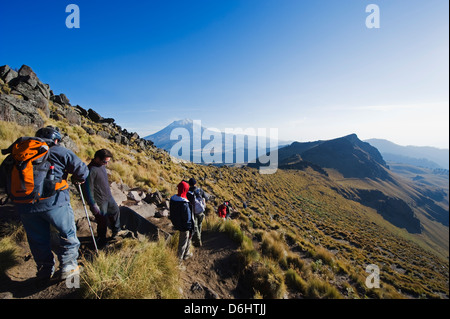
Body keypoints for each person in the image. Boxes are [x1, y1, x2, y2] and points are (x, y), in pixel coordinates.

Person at [6, 126, 89, 281]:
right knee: (67, 233)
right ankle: (68, 266)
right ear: (55, 139)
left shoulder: (19, 153)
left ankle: (44, 270)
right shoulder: (58, 151)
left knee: (37, 238)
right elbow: (82, 170)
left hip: (24, 204)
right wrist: (78, 178)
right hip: (55, 202)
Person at [82, 149, 121, 247]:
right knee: (102, 221)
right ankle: (102, 240)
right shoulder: (90, 170)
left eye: (108, 161)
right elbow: (88, 190)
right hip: (99, 201)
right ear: (97, 158)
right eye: (105, 161)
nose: (106, 164)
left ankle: (116, 232)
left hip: (108, 197)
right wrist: (93, 205)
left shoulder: (102, 166)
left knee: (115, 211)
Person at [169, 180, 194, 262]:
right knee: (182, 243)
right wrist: (190, 228)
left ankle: (186, 254)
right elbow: (187, 218)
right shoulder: (184, 203)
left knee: (185, 241)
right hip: (184, 227)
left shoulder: (173, 199)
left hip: (177, 223)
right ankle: (178, 262)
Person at [186, 177, 207, 247]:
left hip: (193, 212)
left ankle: (198, 241)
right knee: (199, 225)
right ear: (195, 183)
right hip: (201, 211)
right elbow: (206, 198)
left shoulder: (188, 192)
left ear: (189, 184)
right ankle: (199, 238)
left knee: (195, 227)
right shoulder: (200, 190)